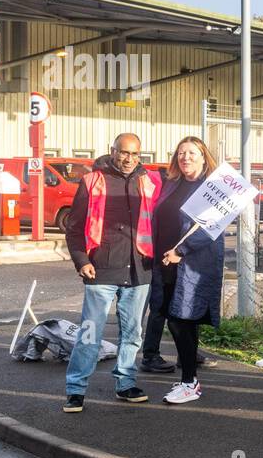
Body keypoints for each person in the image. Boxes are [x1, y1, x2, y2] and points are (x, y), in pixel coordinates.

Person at [61, 133, 160, 413]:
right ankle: (76, 389)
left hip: (140, 271)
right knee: (90, 334)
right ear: (112, 151)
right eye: (123, 152)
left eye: (135, 154)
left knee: (132, 334)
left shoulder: (150, 182)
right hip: (100, 271)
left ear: (141, 155)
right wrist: (81, 260)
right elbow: (75, 226)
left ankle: (125, 383)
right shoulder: (93, 181)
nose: (128, 159)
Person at [150, 137, 224, 404]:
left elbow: (211, 228)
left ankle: (189, 382)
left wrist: (181, 251)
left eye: (192, 153)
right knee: (177, 318)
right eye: (181, 153)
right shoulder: (172, 183)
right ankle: (189, 380)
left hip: (193, 263)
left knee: (182, 320)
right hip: (166, 262)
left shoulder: (213, 188)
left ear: (204, 157)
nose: (186, 157)